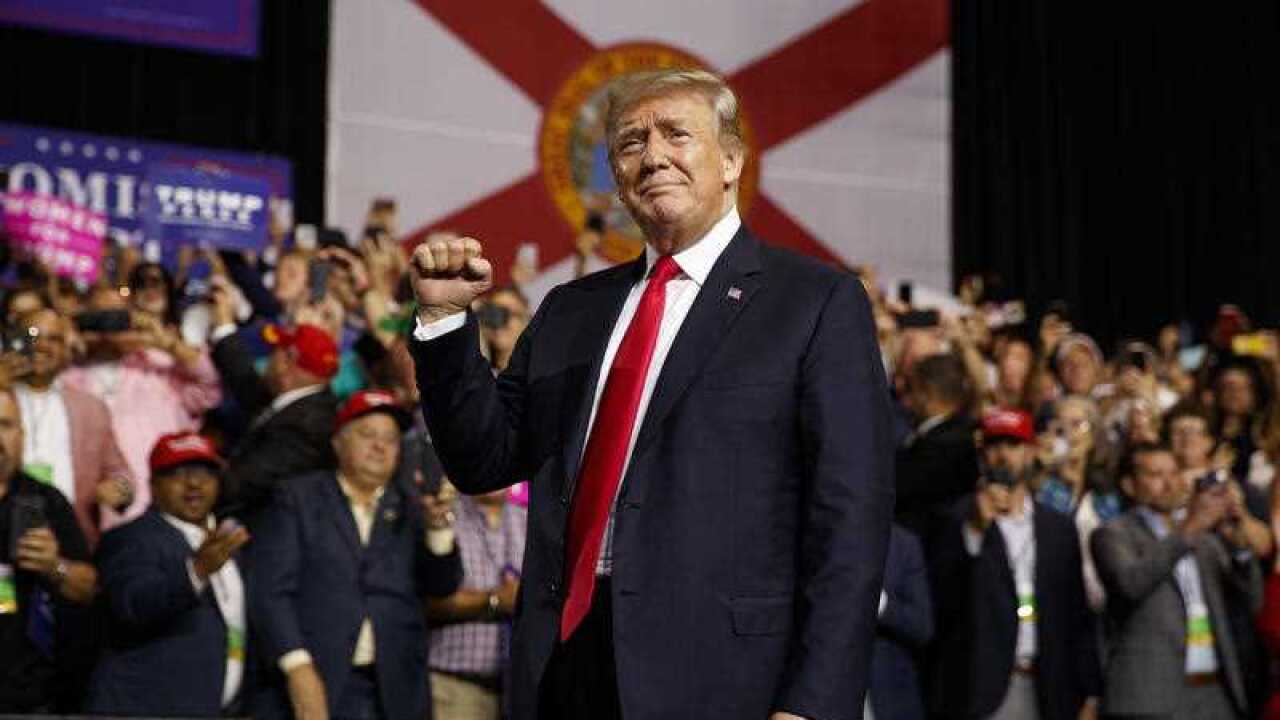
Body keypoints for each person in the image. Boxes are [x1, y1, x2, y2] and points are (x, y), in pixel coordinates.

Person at [408, 69, 894, 720]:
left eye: (675, 134)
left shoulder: (813, 302)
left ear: (730, 160)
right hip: (565, 665)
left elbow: (850, 522)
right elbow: (484, 459)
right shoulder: (570, 309)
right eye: (631, 143)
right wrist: (443, 325)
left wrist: (813, 701)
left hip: (726, 678)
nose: (653, 155)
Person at [250, 389, 463, 720]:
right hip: (314, 679)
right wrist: (296, 665)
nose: (380, 446)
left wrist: (438, 529)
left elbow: (442, 587)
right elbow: (270, 592)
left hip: (394, 690)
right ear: (337, 442)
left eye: (391, 439)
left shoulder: (412, 507)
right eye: (367, 434)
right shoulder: (297, 499)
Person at [929, 408, 1101, 720]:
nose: (1003, 455)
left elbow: (1076, 614)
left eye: (1013, 445)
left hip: (1049, 688)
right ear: (982, 454)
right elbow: (943, 600)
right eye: (994, 446)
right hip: (980, 690)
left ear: (1032, 450)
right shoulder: (956, 519)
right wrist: (976, 531)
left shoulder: (1058, 528)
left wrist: (1089, 690)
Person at [1091, 443, 1262, 719]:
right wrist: (1189, 529)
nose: (1169, 483)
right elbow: (1131, 583)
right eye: (1156, 475)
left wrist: (1240, 546)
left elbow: (1252, 601)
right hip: (1148, 696)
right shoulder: (1113, 534)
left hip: (1214, 693)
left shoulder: (1206, 539)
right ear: (1129, 485)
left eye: (1173, 473)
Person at [87, 432, 250, 717]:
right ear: (153, 483)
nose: (194, 483)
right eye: (178, 472)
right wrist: (196, 570)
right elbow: (132, 606)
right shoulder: (131, 538)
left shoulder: (229, 544)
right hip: (143, 709)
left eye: (204, 472)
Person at [62, 273, 223, 522]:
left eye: (117, 316)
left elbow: (209, 387)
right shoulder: (65, 377)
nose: (107, 327)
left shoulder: (157, 366)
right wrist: (65, 340)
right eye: (97, 317)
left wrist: (165, 342)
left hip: (162, 510)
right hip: (96, 513)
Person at [0, 386, 98, 712]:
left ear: (21, 435)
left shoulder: (44, 500)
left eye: (5, 425)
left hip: (26, 693)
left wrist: (54, 566)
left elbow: (87, 588)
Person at [210, 279, 339, 522]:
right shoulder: (302, 402)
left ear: (286, 362)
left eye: (277, 349)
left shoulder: (306, 427)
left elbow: (246, 481)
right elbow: (246, 382)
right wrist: (223, 325)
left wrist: (193, 485)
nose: (270, 356)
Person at [6, 307, 135, 544]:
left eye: (53, 339)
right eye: (32, 335)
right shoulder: (3, 397)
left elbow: (120, 473)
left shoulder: (90, 409)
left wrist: (120, 489)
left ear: (66, 349)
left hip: (71, 536)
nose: (42, 346)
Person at [427, 487, 528, 720]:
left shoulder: (530, 521)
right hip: (454, 687)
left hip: (517, 692)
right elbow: (426, 600)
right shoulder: (444, 516)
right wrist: (494, 600)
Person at [894, 352, 980, 540]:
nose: (907, 400)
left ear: (927, 393)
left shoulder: (943, 444)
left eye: (912, 389)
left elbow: (900, 490)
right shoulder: (960, 434)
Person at [867, 524, 932, 720]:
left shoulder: (902, 544)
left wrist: (882, 604)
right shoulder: (818, 534)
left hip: (887, 697)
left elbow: (922, 626)